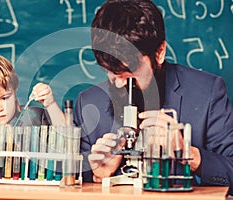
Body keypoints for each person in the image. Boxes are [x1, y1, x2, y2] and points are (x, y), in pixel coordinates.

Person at [74, 0, 233, 194]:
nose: (119, 84)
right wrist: (97, 176)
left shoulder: (207, 92)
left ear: (159, 53)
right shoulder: (88, 102)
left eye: (129, 73)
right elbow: (71, 179)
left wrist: (187, 154)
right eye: (110, 72)